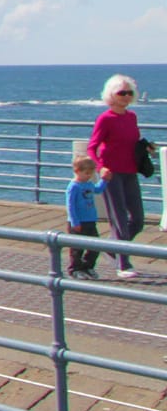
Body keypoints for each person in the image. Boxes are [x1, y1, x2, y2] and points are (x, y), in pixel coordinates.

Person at [87, 73, 147, 280]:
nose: (125, 96)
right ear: (111, 95)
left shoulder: (131, 117)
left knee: (138, 220)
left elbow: (133, 141)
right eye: (121, 92)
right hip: (111, 174)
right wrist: (100, 167)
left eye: (129, 92)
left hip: (130, 171)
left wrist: (146, 148)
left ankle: (111, 248)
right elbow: (92, 147)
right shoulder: (105, 118)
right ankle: (123, 264)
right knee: (119, 219)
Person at [66, 155, 107, 279]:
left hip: (90, 220)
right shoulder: (74, 186)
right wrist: (75, 222)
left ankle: (88, 266)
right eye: (86, 173)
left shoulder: (88, 184)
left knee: (95, 246)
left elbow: (98, 190)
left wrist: (105, 180)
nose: (89, 176)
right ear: (77, 171)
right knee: (77, 248)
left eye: (91, 173)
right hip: (78, 222)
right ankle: (75, 269)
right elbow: (70, 205)